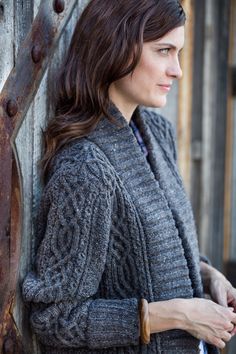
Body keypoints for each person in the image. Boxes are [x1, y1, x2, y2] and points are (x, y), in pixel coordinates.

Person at [22, 0, 236, 353]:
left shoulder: (156, 132)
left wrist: (207, 277)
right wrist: (178, 315)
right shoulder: (86, 169)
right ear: (115, 48)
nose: (178, 70)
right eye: (164, 51)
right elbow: (56, 320)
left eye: (178, 52)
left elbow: (144, 256)